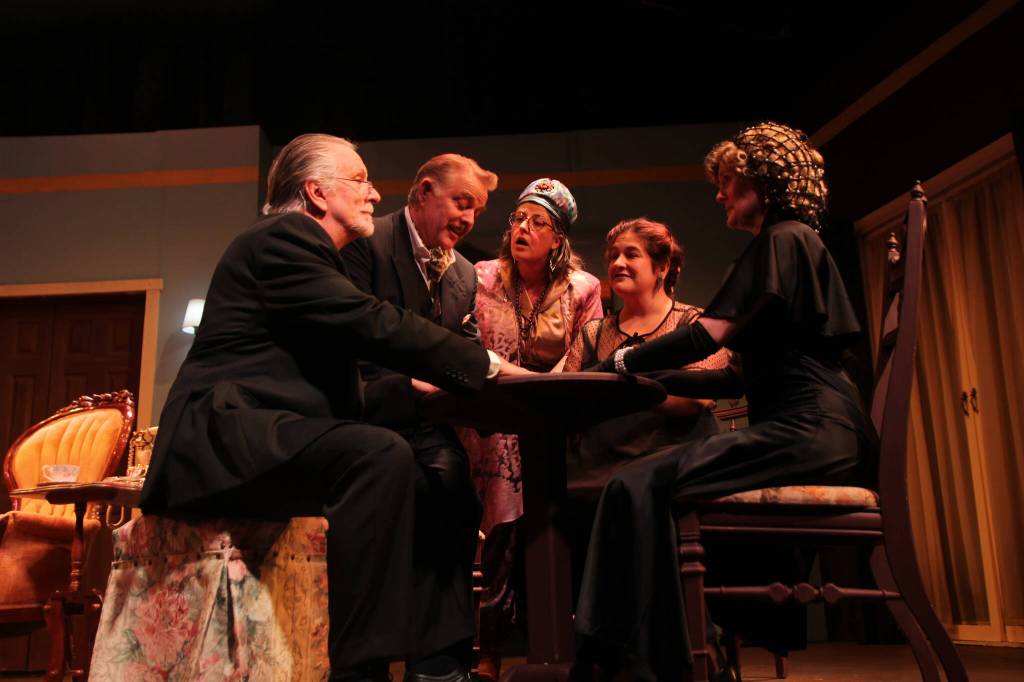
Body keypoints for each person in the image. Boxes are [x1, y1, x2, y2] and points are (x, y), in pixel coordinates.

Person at [140, 133, 523, 682]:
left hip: (271, 430)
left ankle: (432, 665)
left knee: (425, 475)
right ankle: (356, 669)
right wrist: (484, 364)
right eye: (360, 179)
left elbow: (342, 388)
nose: (373, 193)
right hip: (222, 435)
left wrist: (426, 393)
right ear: (318, 193)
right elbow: (372, 322)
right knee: (377, 456)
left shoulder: (319, 256)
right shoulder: (283, 237)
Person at [573, 122, 878, 682]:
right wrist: (648, 383)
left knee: (635, 483)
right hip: (817, 426)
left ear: (765, 182)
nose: (719, 194)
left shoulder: (783, 239)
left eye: (729, 182)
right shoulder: (784, 245)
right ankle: (655, 654)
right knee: (639, 482)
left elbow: (702, 338)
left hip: (811, 429)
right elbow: (730, 381)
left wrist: (620, 362)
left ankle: (641, 661)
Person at [341, 154, 499, 679]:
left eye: (475, 210)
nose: (468, 220)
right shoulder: (367, 245)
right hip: (366, 409)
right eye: (461, 203)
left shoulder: (461, 275)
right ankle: (366, 661)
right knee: (402, 497)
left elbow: (456, 349)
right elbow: (350, 338)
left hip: (425, 421)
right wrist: (408, 385)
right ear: (423, 192)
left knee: (457, 495)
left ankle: (439, 661)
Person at [459, 178, 602, 678]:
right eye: (518, 218)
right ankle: (486, 651)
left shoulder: (583, 289)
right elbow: (469, 348)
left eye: (537, 222)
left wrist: (548, 392)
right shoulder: (481, 276)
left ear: (558, 238)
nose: (522, 228)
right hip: (492, 424)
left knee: (561, 504)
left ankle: (563, 640)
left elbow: (587, 357)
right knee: (497, 508)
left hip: (551, 425)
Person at [562, 217, 731, 485]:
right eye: (613, 256)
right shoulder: (593, 332)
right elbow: (568, 399)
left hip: (671, 470)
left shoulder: (692, 323)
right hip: (596, 472)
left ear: (662, 266)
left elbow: (699, 400)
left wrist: (618, 394)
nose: (617, 263)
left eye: (631, 254)